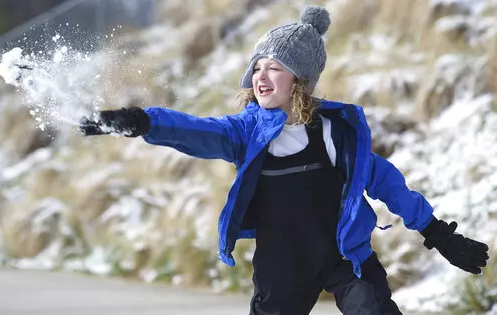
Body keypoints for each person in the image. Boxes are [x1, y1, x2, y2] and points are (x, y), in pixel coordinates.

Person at [79, 5, 489, 315]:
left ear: (301, 80)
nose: (261, 75)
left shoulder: (334, 134)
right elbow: (196, 131)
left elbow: (390, 186)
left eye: (275, 68)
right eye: (257, 67)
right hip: (281, 266)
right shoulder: (245, 133)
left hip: (345, 257)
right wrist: (142, 121)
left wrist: (438, 234)